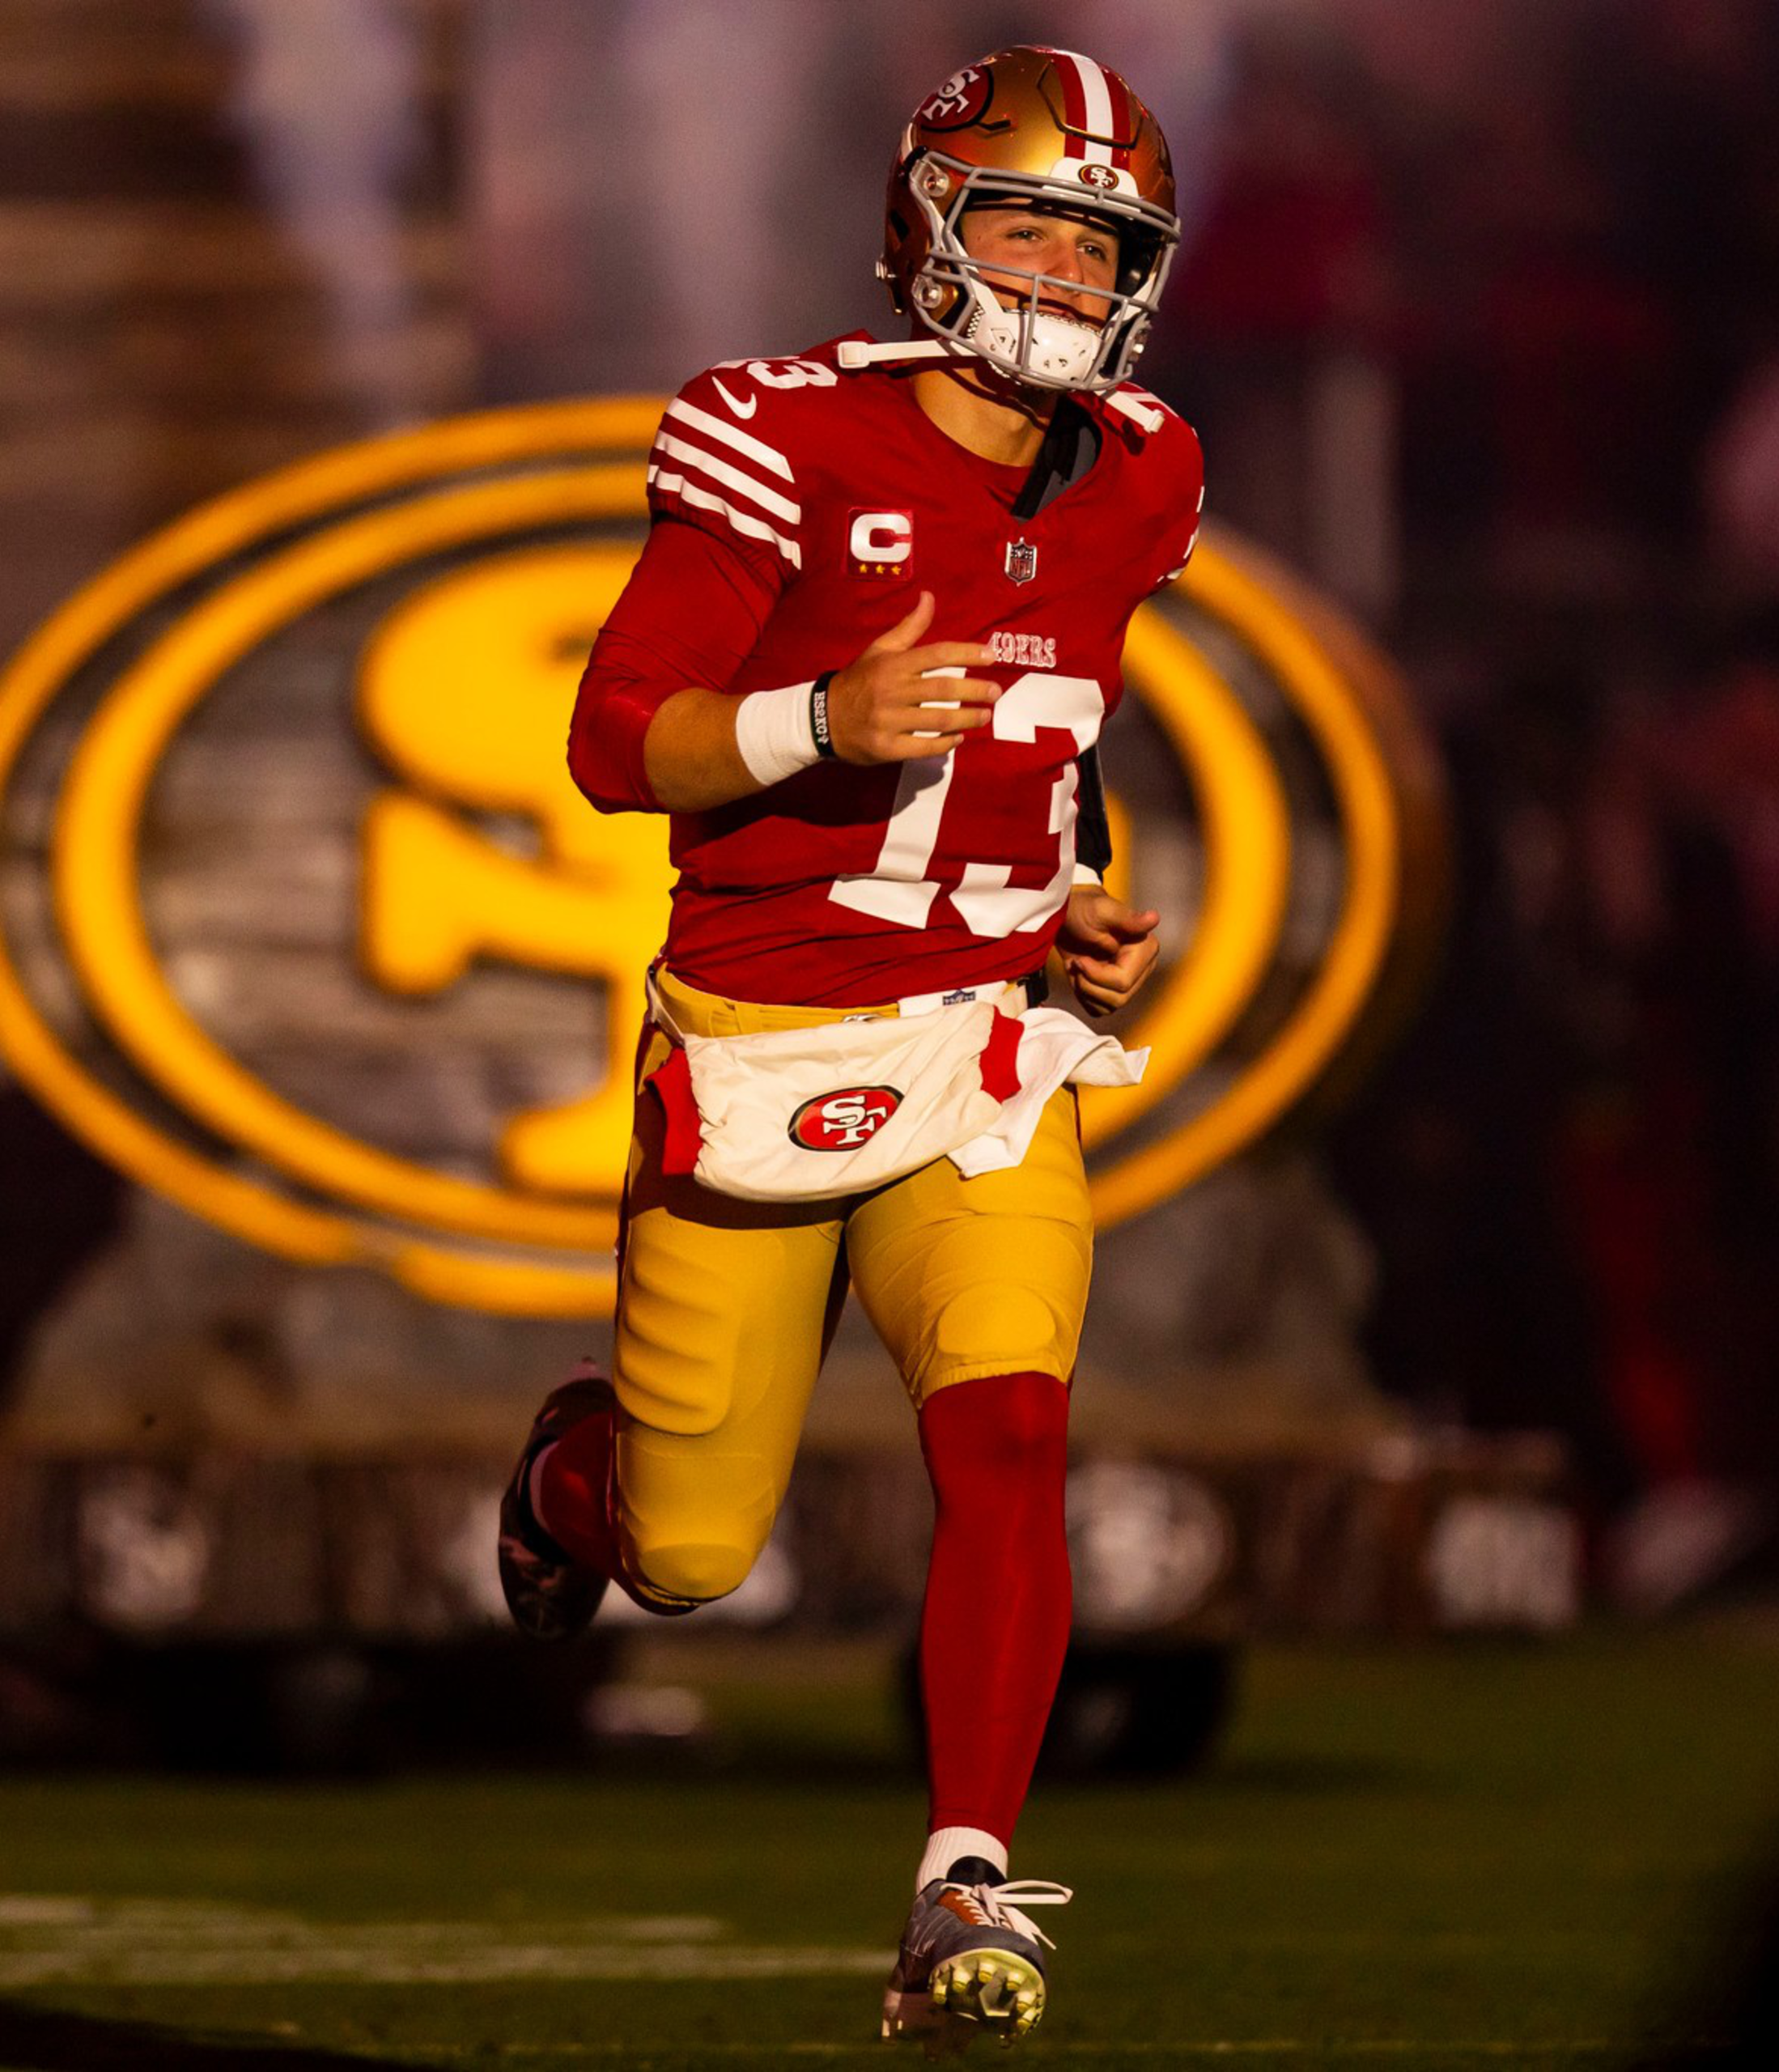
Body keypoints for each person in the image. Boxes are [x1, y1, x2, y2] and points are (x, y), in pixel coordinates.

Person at [490, 45, 1199, 2048]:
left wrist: (1064, 890)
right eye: (1033, 228)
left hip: (985, 1040)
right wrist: (823, 719)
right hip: (757, 1037)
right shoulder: (774, 434)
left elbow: (1062, 740)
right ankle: (570, 1481)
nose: (1065, 274)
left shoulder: (1144, 465)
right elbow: (613, 736)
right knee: (693, 1555)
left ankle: (963, 1876)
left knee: (1013, 1430)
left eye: (1100, 241)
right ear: (929, 225)